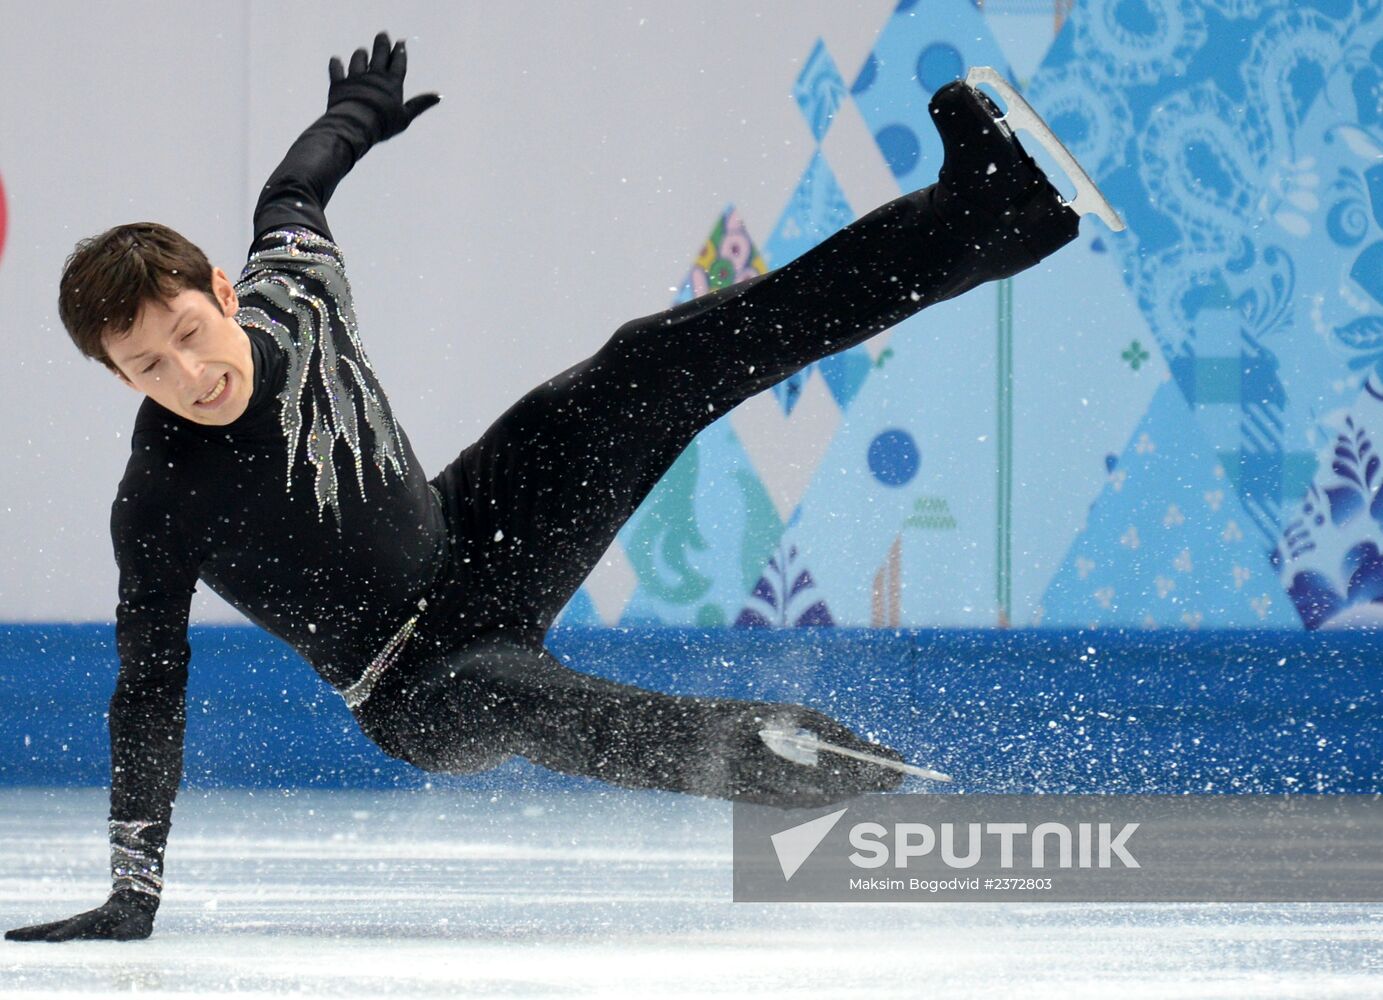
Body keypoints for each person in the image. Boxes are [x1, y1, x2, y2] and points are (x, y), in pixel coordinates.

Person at [6, 31, 1110, 942]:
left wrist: (363, 114)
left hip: (475, 532)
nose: (189, 375)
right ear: (115, 374)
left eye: (189, 335)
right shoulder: (156, 499)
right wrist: (133, 883)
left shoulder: (292, 284)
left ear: (216, 287)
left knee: (653, 363)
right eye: (146, 366)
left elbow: (297, 180)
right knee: (541, 702)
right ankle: (818, 765)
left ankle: (988, 215)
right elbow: (148, 683)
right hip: (416, 684)